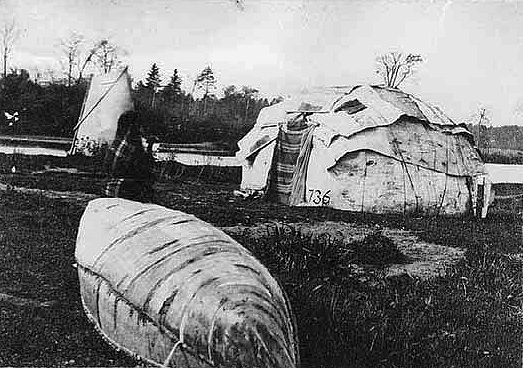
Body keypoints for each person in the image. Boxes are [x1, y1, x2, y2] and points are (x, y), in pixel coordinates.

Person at [102, 110, 154, 202]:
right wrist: (149, 148)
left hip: (110, 191)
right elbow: (146, 173)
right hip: (124, 193)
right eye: (139, 126)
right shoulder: (131, 146)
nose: (142, 129)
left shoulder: (116, 143)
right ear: (133, 127)